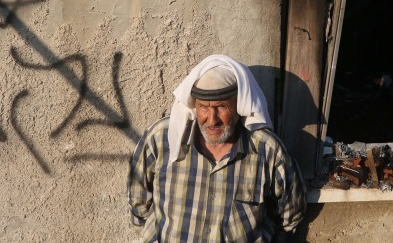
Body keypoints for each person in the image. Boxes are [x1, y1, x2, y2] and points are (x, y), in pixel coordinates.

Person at [128, 55, 307, 242]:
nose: (212, 119)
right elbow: (138, 204)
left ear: (239, 106)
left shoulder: (267, 151)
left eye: (222, 107)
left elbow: (290, 215)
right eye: (204, 107)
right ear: (194, 106)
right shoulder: (159, 140)